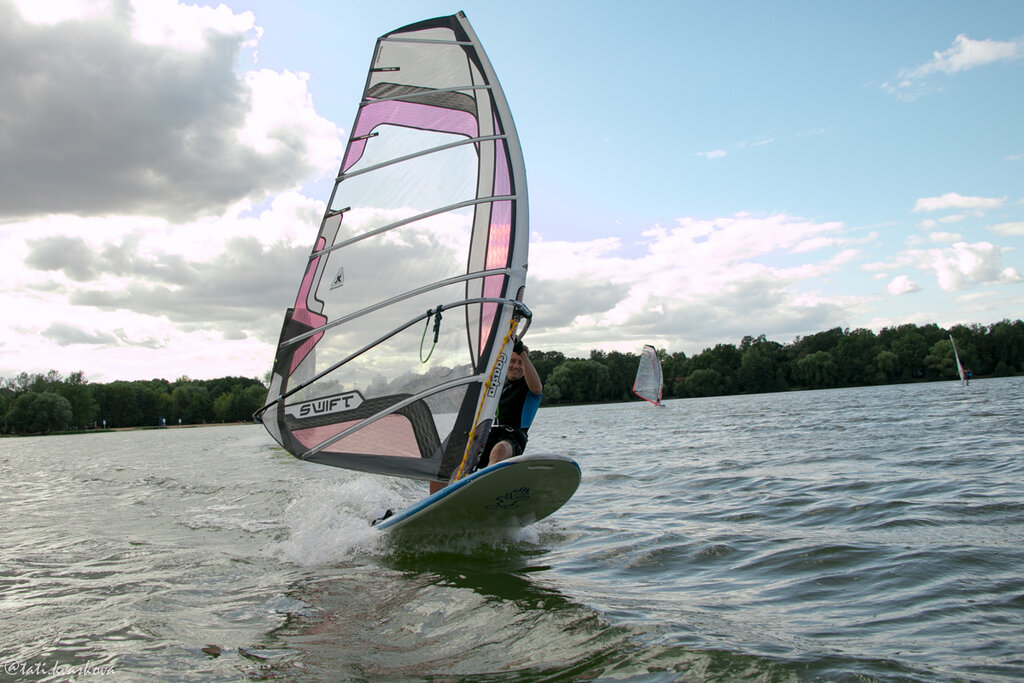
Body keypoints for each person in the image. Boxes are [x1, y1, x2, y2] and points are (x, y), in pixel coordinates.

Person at [428, 338, 542, 494]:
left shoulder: (529, 387)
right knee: (446, 459)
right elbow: (464, 402)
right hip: (488, 434)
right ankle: (435, 503)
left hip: (513, 438)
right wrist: (446, 380)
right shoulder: (497, 386)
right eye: (513, 361)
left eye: (520, 362)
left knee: (499, 449)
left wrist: (522, 351)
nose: (516, 366)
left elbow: (536, 388)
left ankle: (484, 492)